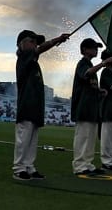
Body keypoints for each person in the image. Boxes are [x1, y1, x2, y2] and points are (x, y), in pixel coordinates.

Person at [12, 30, 70, 180]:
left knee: (32, 138)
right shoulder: (24, 57)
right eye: (32, 41)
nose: (35, 44)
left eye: (35, 42)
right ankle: (19, 168)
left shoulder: (33, 62)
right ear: (21, 44)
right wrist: (57, 39)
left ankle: (29, 167)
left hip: (35, 105)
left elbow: (38, 50)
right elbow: (40, 49)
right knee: (24, 137)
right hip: (26, 104)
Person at [71, 38, 112, 175]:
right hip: (83, 106)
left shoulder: (90, 66)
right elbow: (85, 74)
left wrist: (99, 91)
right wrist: (103, 63)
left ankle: (87, 163)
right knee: (83, 137)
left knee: (90, 138)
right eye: (93, 47)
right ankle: (79, 165)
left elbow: (90, 84)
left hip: (91, 107)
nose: (96, 50)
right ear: (84, 50)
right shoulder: (83, 63)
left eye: (96, 47)